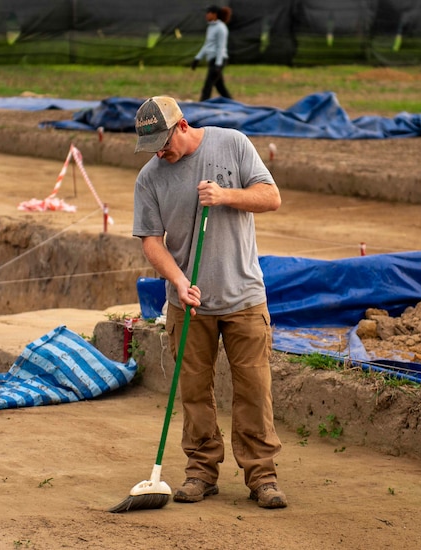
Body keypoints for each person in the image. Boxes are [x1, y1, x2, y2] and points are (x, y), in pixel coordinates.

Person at [132, 96, 287, 509]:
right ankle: (201, 471)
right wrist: (179, 281)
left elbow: (271, 197)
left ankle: (262, 476)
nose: (160, 153)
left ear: (183, 125)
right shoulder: (150, 178)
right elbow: (151, 240)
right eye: (153, 148)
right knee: (195, 391)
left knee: (254, 389)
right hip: (189, 305)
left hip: (244, 298)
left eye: (164, 143)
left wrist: (225, 196)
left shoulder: (232, 143)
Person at [191, 5, 233, 102]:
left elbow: (220, 47)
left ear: (214, 14)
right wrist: (197, 58)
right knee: (220, 86)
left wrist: (218, 64)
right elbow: (207, 45)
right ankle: (231, 102)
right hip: (212, 60)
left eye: (208, 13)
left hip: (219, 59)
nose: (206, 15)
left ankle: (202, 105)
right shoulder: (210, 27)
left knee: (208, 85)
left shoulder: (221, 28)